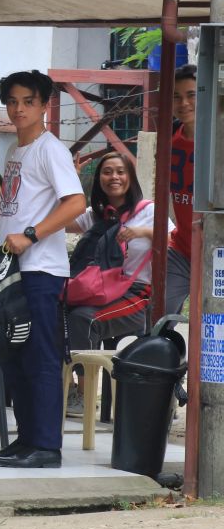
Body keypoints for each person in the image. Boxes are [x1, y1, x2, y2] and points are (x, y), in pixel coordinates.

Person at [0, 70, 85, 469]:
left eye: (27, 101)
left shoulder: (50, 150)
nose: (18, 109)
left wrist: (30, 236)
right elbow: (18, 206)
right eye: (12, 101)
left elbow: (75, 203)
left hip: (41, 271)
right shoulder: (17, 151)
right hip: (13, 272)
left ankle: (46, 446)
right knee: (12, 356)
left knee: (40, 358)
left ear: (44, 105)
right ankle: (25, 441)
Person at [62, 151, 165, 415]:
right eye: (107, 172)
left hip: (136, 295)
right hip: (100, 291)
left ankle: (84, 398)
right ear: (98, 179)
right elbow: (60, 221)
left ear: (130, 177)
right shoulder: (95, 215)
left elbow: (172, 238)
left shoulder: (149, 211)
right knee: (54, 312)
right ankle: (67, 387)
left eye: (120, 171)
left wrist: (143, 232)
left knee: (85, 319)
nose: (114, 177)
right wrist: (69, 181)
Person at [165, 64, 197, 315]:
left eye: (192, 94)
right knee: (157, 316)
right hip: (181, 249)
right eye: (177, 96)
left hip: (216, 250)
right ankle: (162, 353)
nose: (184, 103)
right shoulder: (170, 137)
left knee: (210, 321)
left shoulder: (218, 139)